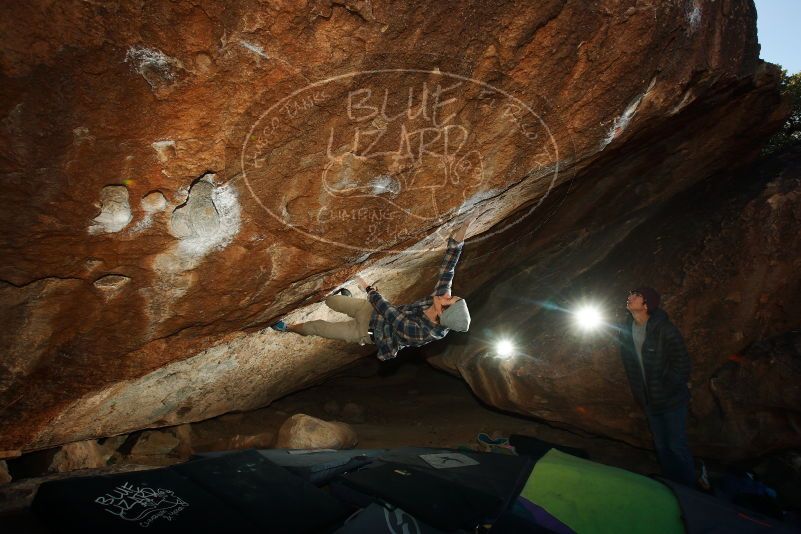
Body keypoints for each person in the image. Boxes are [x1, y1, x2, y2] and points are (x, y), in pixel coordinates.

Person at [275, 215, 476, 361]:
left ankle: (288, 328)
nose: (447, 295)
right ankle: (343, 296)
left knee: (318, 327)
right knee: (329, 300)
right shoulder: (441, 300)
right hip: (370, 310)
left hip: (364, 331)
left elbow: (390, 314)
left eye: (449, 300)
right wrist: (464, 227)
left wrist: (369, 288)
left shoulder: (422, 333)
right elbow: (448, 268)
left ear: (442, 312)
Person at [619, 287, 696, 486]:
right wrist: (640, 393)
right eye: (631, 294)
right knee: (661, 446)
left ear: (646, 305)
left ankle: (691, 488)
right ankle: (672, 484)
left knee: (676, 445)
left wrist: (665, 387)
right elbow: (630, 365)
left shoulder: (665, 329)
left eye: (636, 295)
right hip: (649, 400)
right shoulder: (626, 330)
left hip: (671, 399)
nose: (630, 297)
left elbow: (682, 363)